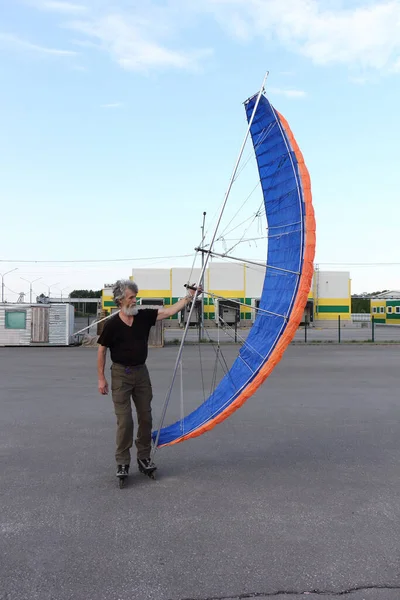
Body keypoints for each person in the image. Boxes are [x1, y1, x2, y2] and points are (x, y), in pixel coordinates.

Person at [97, 279, 199, 480]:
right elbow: (101, 351)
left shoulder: (143, 316)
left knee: (146, 417)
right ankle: (122, 462)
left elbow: (169, 312)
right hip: (120, 375)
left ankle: (144, 457)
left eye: (136, 297)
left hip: (141, 373)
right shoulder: (112, 325)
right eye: (131, 297)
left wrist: (189, 297)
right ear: (120, 300)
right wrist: (101, 378)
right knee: (125, 420)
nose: (135, 300)